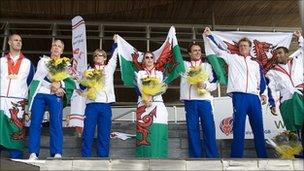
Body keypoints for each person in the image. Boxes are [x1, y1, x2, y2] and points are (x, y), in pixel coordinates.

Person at [203, 27, 268, 158]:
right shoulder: (232, 58)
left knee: (259, 128)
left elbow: (261, 80)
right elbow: (217, 50)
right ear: (238, 48)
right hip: (239, 96)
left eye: (245, 45)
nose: (243, 47)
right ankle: (236, 157)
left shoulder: (256, 63)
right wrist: (209, 36)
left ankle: (263, 157)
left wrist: (264, 93)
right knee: (238, 127)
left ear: (250, 48)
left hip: (254, 98)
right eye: (241, 46)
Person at [27, 39, 75, 160]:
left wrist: (61, 85)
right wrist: (53, 86)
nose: (56, 48)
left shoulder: (66, 64)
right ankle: (33, 152)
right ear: (51, 48)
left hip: (55, 96)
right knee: (35, 122)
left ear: (62, 50)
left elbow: (71, 81)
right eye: (54, 45)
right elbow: (41, 77)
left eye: (59, 46)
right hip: (40, 94)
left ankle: (57, 152)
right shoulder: (43, 60)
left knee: (56, 123)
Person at [180, 42, 219, 158]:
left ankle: (212, 157)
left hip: (205, 101)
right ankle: (195, 157)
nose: (197, 52)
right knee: (192, 130)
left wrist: (205, 85)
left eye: (199, 50)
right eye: (195, 50)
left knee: (209, 128)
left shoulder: (207, 66)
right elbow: (173, 61)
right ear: (189, 53)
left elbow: (215, 83)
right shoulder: (184, 65)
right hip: (190, 101)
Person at [81, 35, 118, 157]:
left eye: (101, 55)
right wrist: (82, 79)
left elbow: (114, 55)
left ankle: (103, 159)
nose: (98, 57)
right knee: (88, 133)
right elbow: (81, 87)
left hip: (105, 105)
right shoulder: (88, 71)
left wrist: (115, 43)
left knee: (104, 133)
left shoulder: (109, 68)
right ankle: (85, 158)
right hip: (91, 105)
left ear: (105, 58)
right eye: (96, 55)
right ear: (93, 58)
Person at [266, 31, 304, 150]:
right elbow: (271, 88)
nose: (277, 55)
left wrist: (299, 37)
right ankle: (296, 153)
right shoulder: (272, 72)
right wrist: (272, 103)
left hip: (301, 95)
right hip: (287, 100)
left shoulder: (296, 60)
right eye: (276, 54)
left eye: (280, 53)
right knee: (292, 129)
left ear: (287, 53)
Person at [0, 34, 34, 159]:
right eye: (15, 40)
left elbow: (31, 83)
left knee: (16, 128)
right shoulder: (2, 61)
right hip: (1, 98)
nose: (18, 42)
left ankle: (16, 158)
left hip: (18, 101)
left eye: (20, 40)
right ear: (9, 42)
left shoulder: (27, 63)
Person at [135, 51, 168, 158]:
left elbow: (162, 89)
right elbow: (137, 88)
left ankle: (159, 158)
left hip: (157, 104)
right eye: (146, 57)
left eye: (151, 57)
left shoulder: (159, 74)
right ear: (144, 60)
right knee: (144, 133)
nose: (149, 59)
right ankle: (142, 159)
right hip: (143, 105)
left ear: (154, 60)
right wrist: (145, 98)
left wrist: (151, 96)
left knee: (157, 133)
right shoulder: (139, 74)